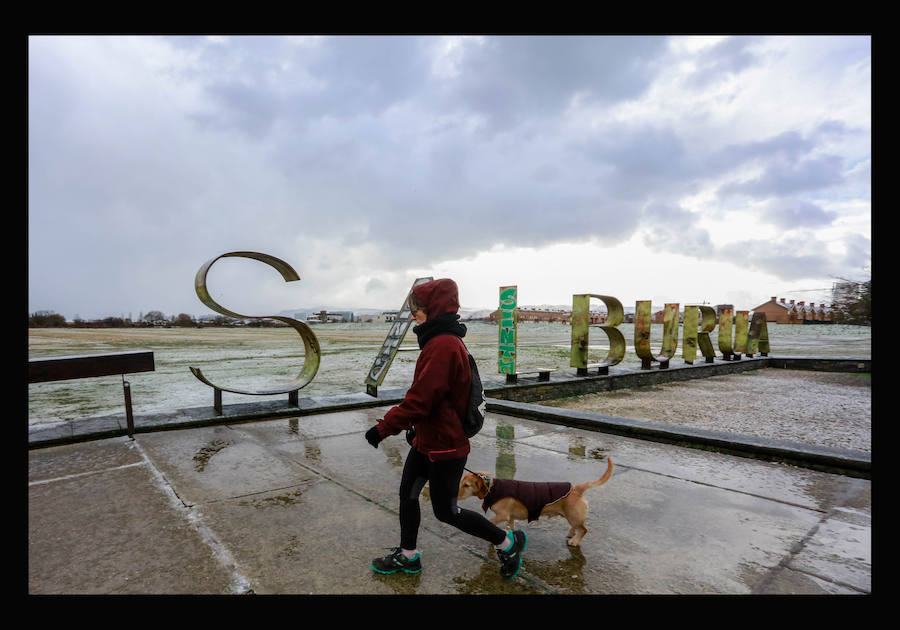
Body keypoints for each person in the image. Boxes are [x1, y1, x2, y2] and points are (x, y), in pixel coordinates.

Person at [364, 278, 527, 579]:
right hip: (427, 441)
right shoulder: (440, 340)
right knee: (408, 496)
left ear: (435, 310)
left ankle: (508, 543)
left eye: (419, 310)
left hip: (446, 448)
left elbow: (421, 400)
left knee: (446, 512)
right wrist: (414, 429)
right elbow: (431, 399)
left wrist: (384, 428)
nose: (415, 316)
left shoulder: (443, 345)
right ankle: (409, 556)